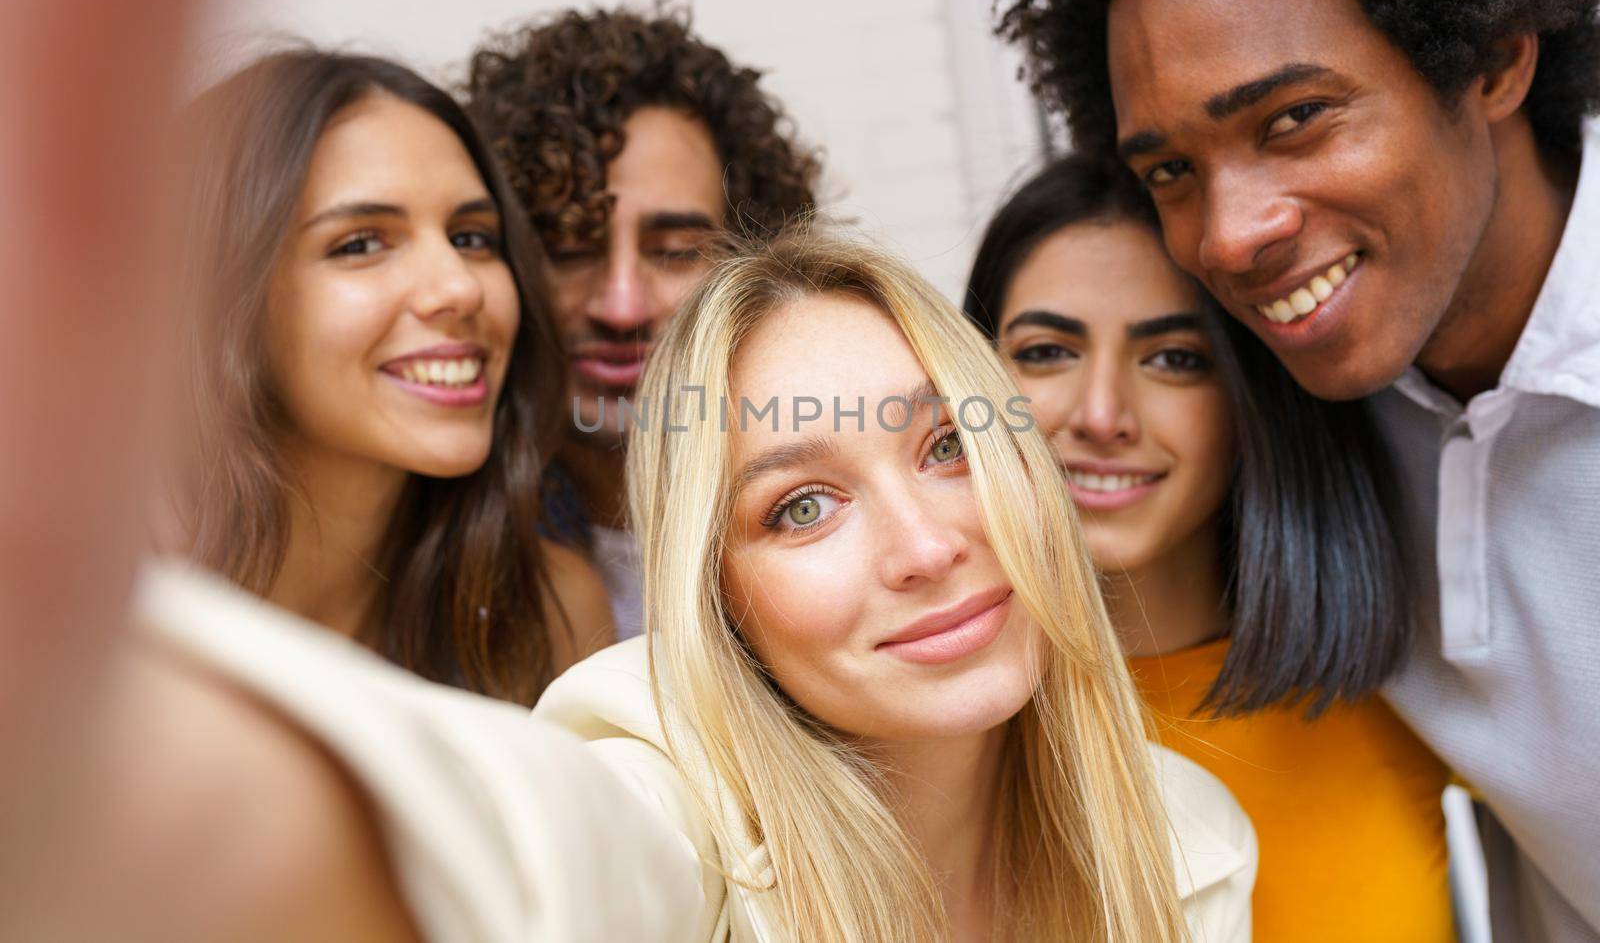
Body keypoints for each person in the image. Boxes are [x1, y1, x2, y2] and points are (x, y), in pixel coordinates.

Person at [125, 228, 1255, 942]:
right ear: (723, 603)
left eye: (947, 445)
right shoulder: (665, 803)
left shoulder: (1184, 841)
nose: (924, 544)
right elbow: (520, 855)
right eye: (799, 507)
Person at [978, 0, 1600, 937]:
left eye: (1295, 118)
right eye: (1172, 168)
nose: (1228, 236)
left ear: (1492, 56)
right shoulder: (1307, 405)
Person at [965, 154, 1451, 941]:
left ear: (1249, 394)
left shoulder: (1416, 683)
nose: (1101, 414)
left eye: (1175, 359)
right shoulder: (938, 739)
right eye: (1047, 351)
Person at [174, 50, 612, 702]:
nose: (459, 287)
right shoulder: (87, 615)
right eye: (360, 243)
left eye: (471, 237)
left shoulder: (554, 614)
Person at [465, 0, 821, 637]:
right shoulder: (443, 560)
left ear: (754, 260)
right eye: (570, 249)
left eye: (675, 252)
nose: (622, 306)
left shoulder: (838, 522)